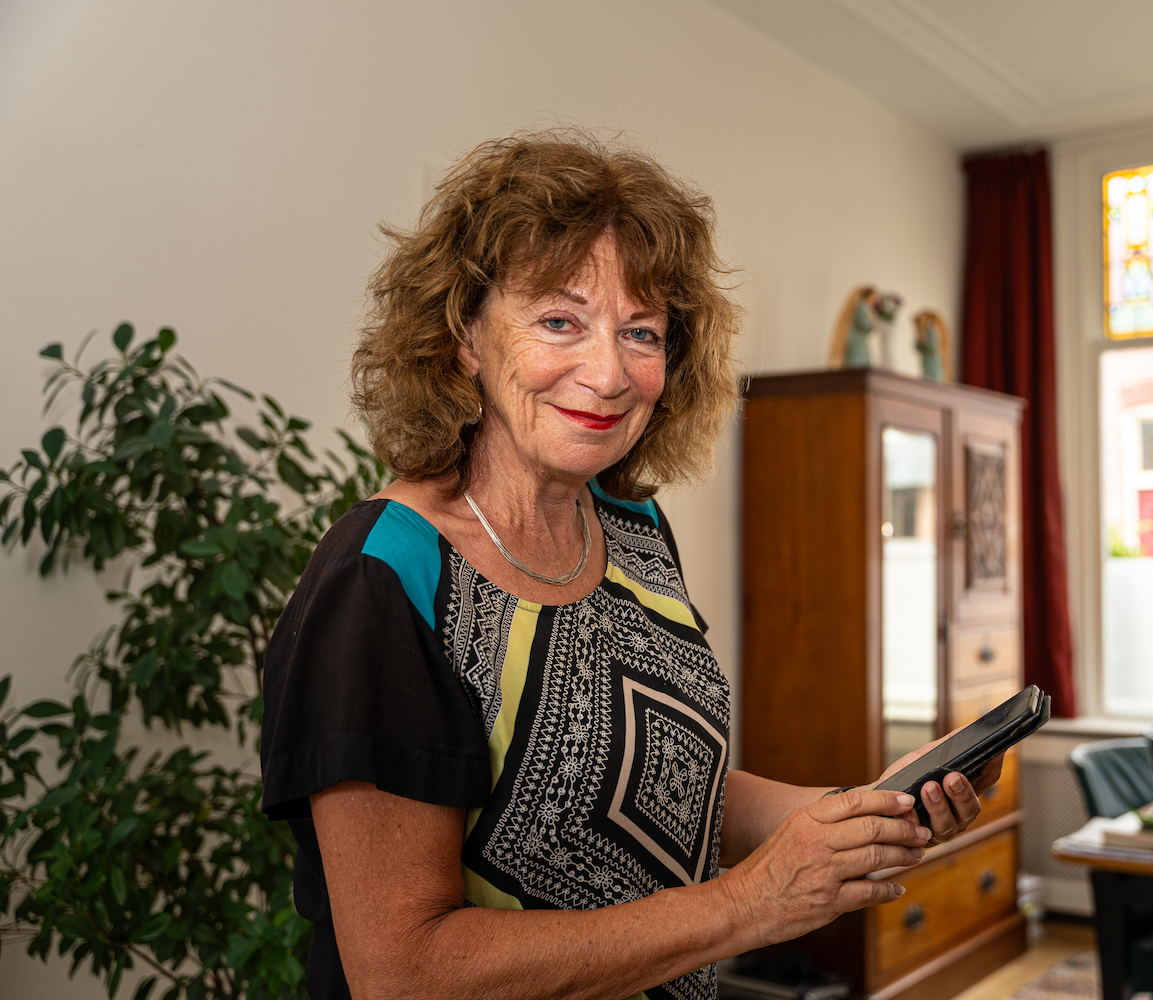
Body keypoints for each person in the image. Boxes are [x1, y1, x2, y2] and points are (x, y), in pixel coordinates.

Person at [259, 130, 1004, 1000]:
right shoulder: (382, 578)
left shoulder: (633, 529)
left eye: (641, 333)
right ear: (464, 337)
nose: (609, 373)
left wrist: (860, 813)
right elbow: (405, 970)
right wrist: (749, 906)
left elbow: (667, 788)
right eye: (559, 321)